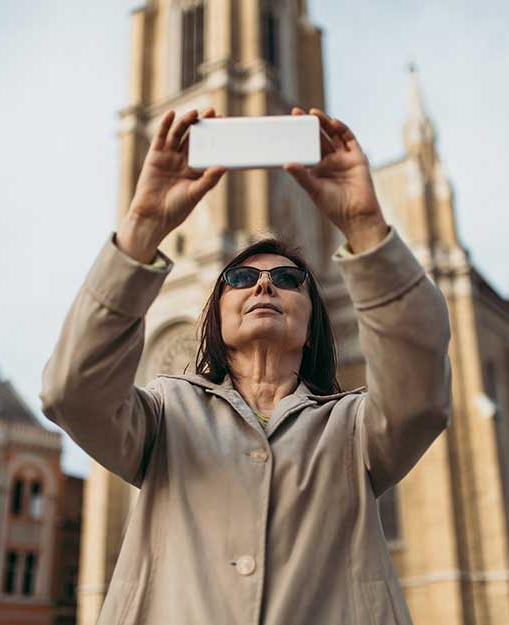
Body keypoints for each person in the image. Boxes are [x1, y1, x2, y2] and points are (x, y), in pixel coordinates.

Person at [40, 106, 452, 625]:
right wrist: (143, 227)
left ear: (313, 323)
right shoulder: (165, 416)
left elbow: (421, 395)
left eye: (286, 279)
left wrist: (364, 225)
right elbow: (71, 391)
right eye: (239, 279)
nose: (262, 285)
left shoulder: (353, 429)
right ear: (215, 318)